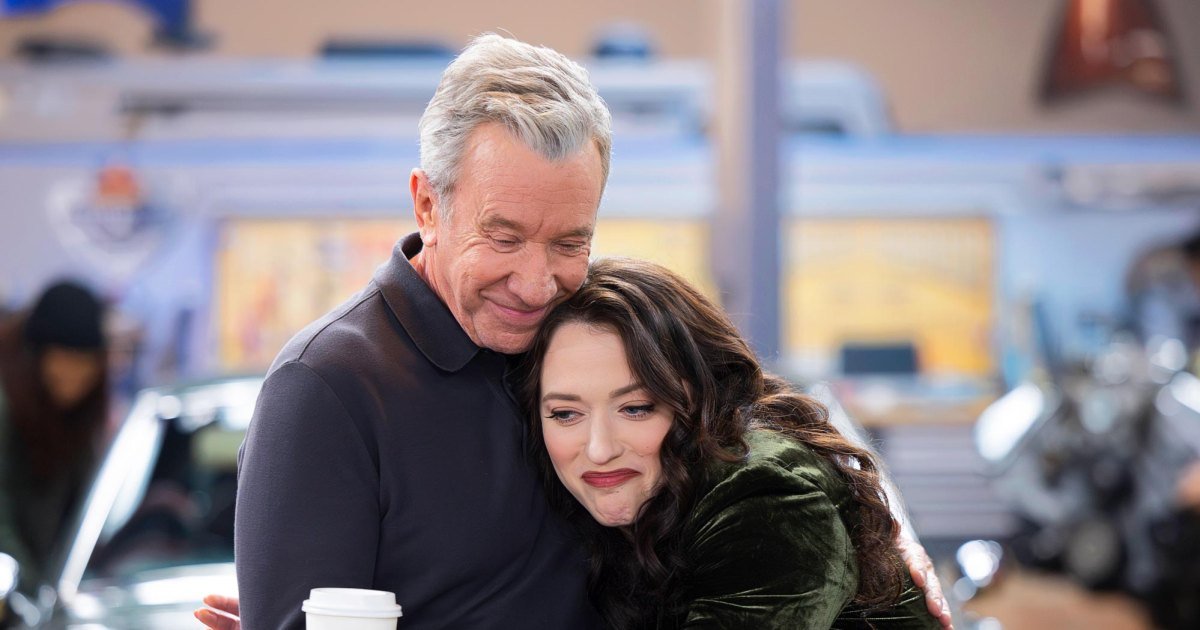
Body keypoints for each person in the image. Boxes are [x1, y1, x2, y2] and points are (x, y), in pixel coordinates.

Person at [196, 34, 953, 630]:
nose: (536, 284)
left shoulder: (585, 327)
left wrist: (877, 528)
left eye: (569, 241)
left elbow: (763, 426)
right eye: (503, 237)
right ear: (428, 205)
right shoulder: (328, 387)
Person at [513, 257, 939, 628]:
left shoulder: (764, 497)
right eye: (565, 414)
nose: (599, 450)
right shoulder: (618, 506)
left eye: (636, 408)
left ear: (704, 395)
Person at [0, 281, 109, 596]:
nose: (75, 375)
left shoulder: (81, 413)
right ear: (38, 355)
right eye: (65, 360)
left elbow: (84, 506)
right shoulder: (7, 406)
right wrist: (34, 592)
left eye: (84, 362)